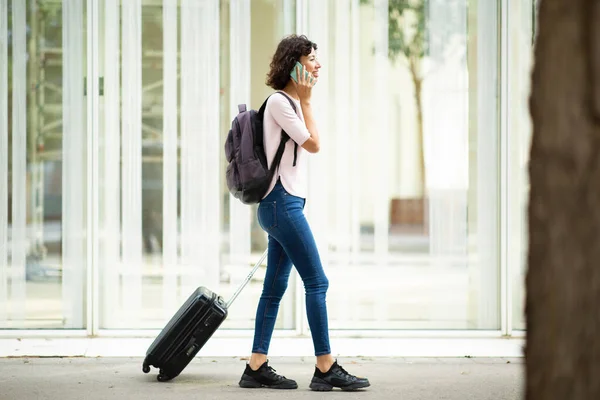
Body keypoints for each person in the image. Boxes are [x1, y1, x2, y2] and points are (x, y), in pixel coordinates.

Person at [238, 34, 370, 392]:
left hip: (281, 205)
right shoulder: (283, 103)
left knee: (275, 287)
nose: (318, 64)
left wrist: (305, 101)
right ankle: (325, 367)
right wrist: (307, 101)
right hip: (281, 204)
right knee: (318, 282)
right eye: (312, 58)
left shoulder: (288, 103)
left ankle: (256, 366)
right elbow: (313, 144)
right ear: (295, 64)